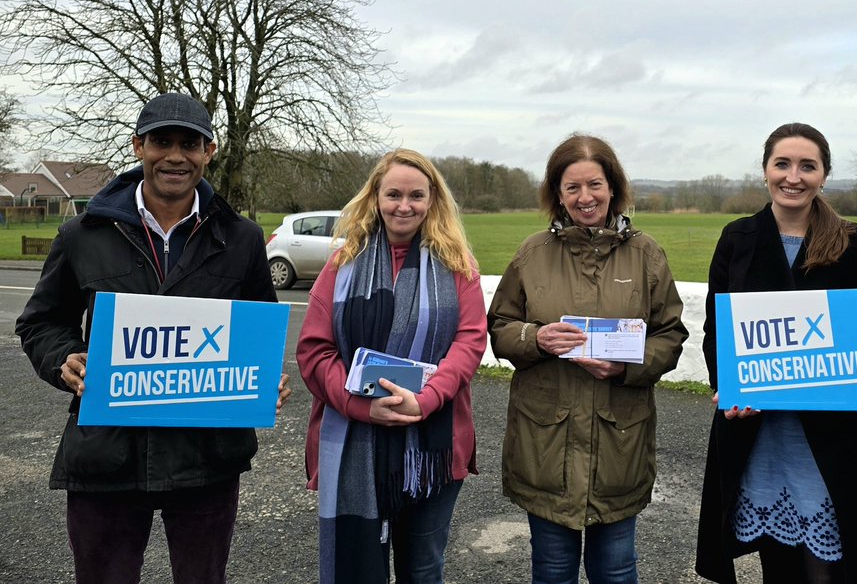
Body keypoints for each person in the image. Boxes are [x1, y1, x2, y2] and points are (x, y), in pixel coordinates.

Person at [16, 92, 292, 584]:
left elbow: (257, 329)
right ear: (138, 146)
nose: (175, 156)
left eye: (190, 143)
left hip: (207, 457)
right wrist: (64, 358)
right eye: (162, 141)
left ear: (209, 151)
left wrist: (265, 380)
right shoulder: (83, 233)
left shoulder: (243, 237)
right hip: (108, 454)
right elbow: (40, 322)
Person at [694, 123, 857, 583]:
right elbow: (718, 327)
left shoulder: (855, 241)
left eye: (807, 166)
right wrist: (725, 384)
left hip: (830, 435)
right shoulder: (738, 237)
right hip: (759, 433)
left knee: (831, 569)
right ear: (765, 170)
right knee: (779, 565)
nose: (794, 176)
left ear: (824, 174)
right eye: (782, 164)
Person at [487, 133, 688, 584]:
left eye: (594, 184)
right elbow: (500, 327)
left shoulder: (646, 254)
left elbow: (670, 334)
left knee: (616, 571)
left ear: (612, 186)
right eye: (572, 187)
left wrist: (626, 366)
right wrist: (536, 338)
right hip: (546, 444)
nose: (585, 197)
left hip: (619, 442)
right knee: (553, 571)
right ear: (557, 194)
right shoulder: (532, 253)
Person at [296, 148, 486, 583]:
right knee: (361, 571)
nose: (405, 205)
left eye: (417, 195)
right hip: (355, 440)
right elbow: (314, 351)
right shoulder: (341, 266)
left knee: (423, 569)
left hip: (433, 445)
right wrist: (360, 406)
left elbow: (470, 341)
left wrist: (425, 401)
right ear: (375, 198)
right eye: (393, 194)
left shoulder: (459, 267)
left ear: (433, 200)